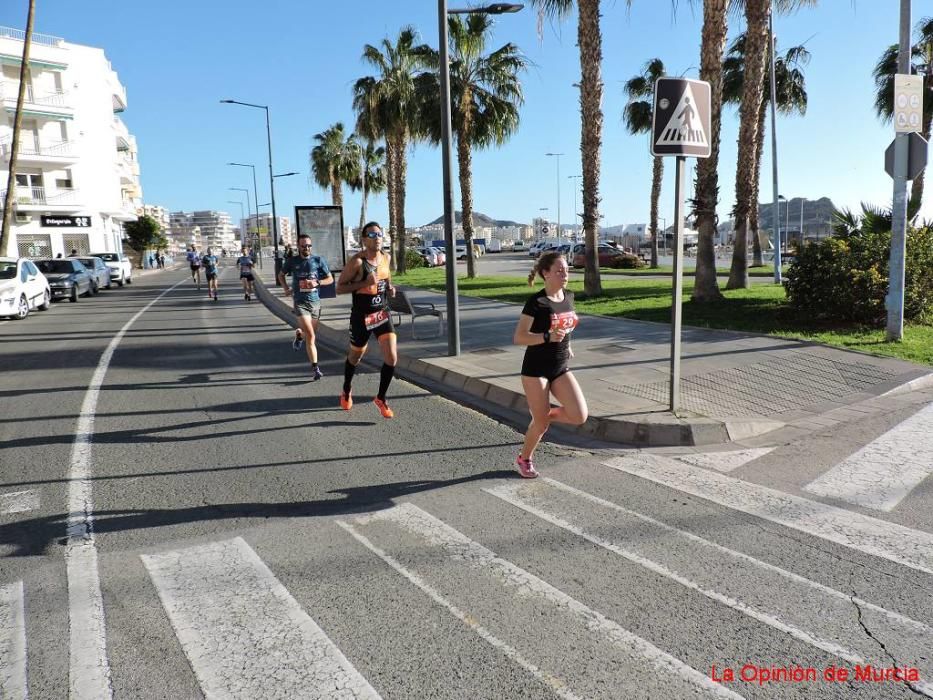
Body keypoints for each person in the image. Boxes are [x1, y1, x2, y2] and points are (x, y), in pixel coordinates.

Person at [511, 251, 588, 478]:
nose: (565, 274)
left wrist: (567, 345)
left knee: (579, 415)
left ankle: (542, 415)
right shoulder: (537, 302)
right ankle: (524, 459)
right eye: (559, 271)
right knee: (541, 426)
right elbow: (519, 337)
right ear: (546, 273)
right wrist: (546, 337)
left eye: (566, 270)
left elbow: (566, 326)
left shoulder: (569, 296)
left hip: (560, 366)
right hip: (536, 369)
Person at [336, 221, 397, 418]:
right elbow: (340, 288)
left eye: (379, 234)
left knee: (392, 357)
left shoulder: (386, 257)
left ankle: (381, 398)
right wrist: (363, 282)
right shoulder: (357, 262)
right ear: (363, 239)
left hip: (381, 313)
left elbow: (386, 278)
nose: (377, 238)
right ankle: (346, 389)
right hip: (361, 316)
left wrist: (390, 288)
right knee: (355, 357)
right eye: (372, 235)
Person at [278, 234, 333, 382]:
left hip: (315, 302)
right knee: (312, 336)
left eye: (309, 245)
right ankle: (316, 369)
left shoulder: (318, 260)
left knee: (309, 333)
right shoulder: (292, 261)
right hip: (300, 302)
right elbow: (281, 275)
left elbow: (330, 278)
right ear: (298, 246)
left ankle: (299, 336)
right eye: (303, 246)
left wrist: (317, 283)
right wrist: (285, 289)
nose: (306, 248)